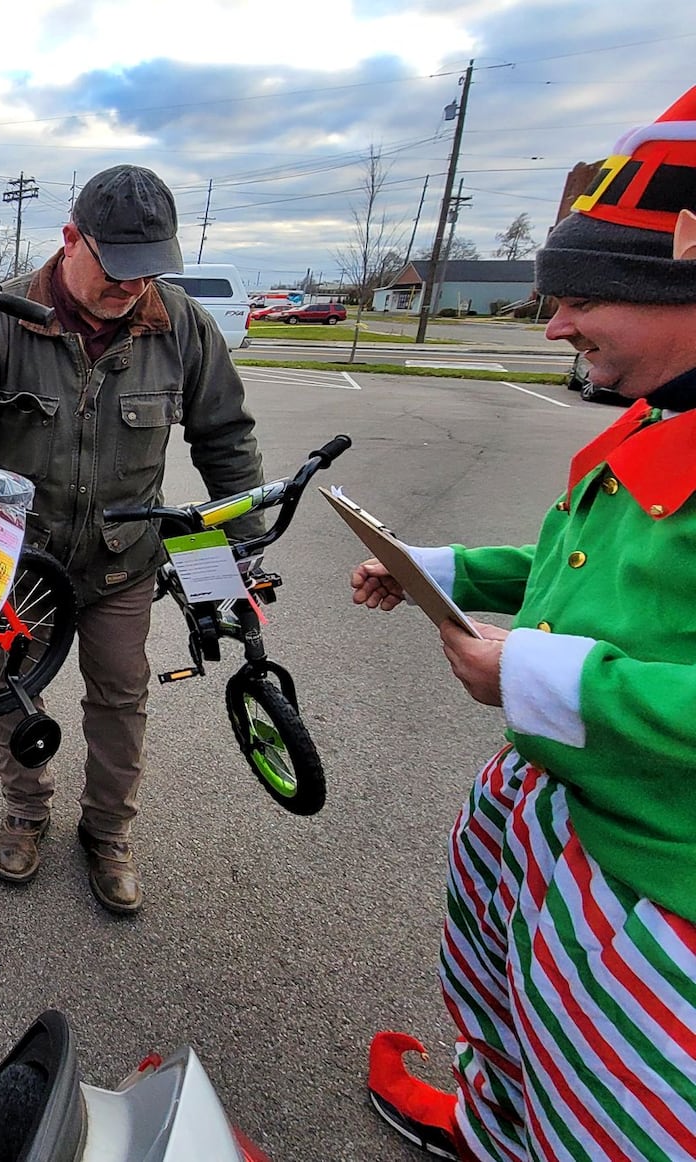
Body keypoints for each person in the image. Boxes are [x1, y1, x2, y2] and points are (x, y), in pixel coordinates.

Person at [358, 87, 696, 1161]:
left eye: (581, 296)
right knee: (516, 1016)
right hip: (558, 809)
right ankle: (495, 1117)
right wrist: (434, 569)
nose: (552, 325)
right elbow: (574, 566)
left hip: (658, 881)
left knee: (610, 1099)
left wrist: (536, 678)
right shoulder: (655, 415)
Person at [0, 164, 264, 914]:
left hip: (122, 563)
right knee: (9, 690)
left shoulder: (181, 323)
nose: (133, 287)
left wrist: (242, 555)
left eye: (149, 270)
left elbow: (226, 439)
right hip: (19, 563)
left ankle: (108, 833)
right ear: (69, 241)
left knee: (120, 699)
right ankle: (26, 812)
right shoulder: (1, 319)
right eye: (118, 269)